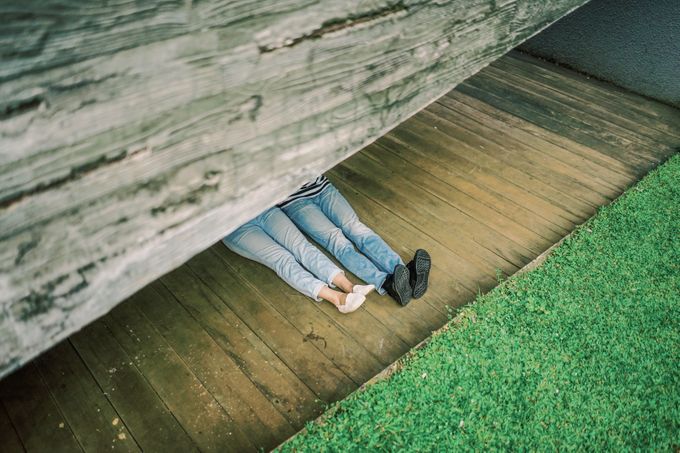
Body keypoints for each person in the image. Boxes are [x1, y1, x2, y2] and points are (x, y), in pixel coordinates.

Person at [279, 175, 431, 306]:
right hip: (293, 200)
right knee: (338, 241)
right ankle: (386, 281)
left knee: (356, 228)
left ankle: (403, 274)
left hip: (320, 185)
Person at [222, 207, 374, 314]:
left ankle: (350, 287)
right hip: (233, 226)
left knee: (302, 246)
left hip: (263, 209)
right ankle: (337, 299)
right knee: (281, 259)